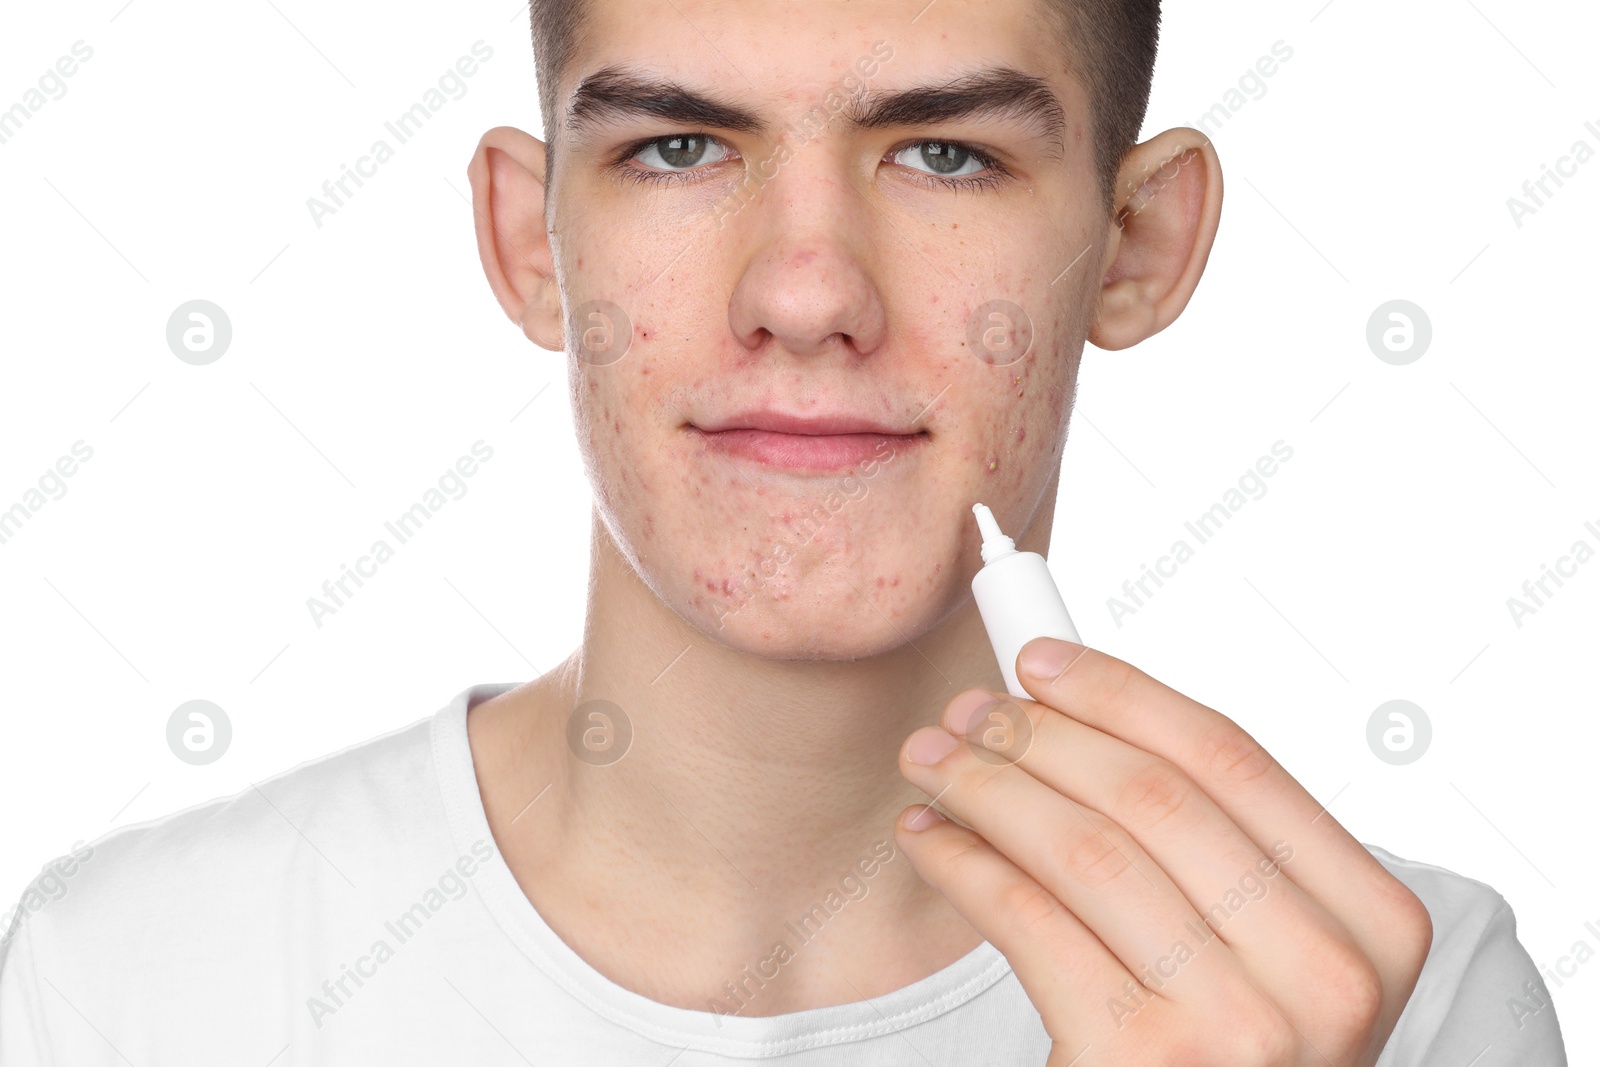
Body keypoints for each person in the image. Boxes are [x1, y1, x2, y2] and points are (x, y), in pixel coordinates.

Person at [0, 0, 1569, 1063]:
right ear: (527, 244)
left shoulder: (1398, 998)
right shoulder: (126, 984)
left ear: (1135, 245)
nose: (807, 293)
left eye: (945, 152)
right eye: (679, 148)